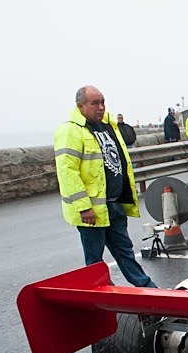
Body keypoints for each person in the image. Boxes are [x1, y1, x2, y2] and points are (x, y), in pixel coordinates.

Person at [53, 85, 157, 288]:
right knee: (95, 261)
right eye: (95, 103)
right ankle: (104, 298)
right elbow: (67, 172)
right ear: (80, 106)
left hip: (114, 205)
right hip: (92, 210)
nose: (101, 107)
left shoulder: (108, 125)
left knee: (125, 252)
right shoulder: (71, 131)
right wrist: (84, 207)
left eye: (102, 102)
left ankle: (148, 291)